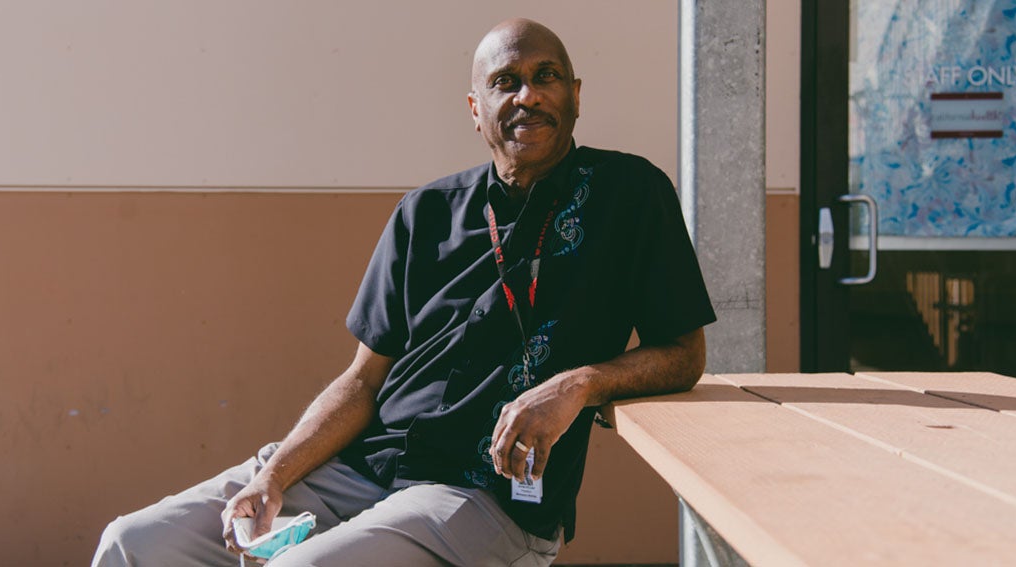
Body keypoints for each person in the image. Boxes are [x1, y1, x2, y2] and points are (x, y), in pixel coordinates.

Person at [92, 17, 715, 567]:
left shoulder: (630, 194)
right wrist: (274, 477)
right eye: (506, 82)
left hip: (484, 498)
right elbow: (363, 382)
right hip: (363, 470)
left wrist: (578, 384)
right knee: (132, 544)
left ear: (575, 97)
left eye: (546, 76)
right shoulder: (426, 213)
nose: (528, 95)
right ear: (475, 109)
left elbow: (684, 353)